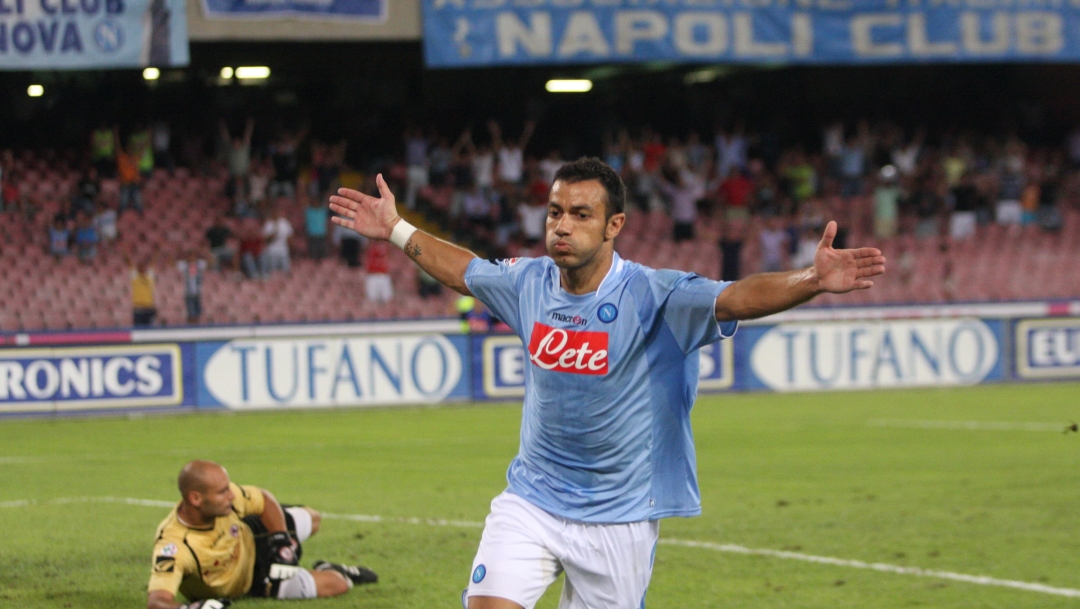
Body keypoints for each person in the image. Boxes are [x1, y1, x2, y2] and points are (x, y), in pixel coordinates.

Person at [329, 157, 885, 609]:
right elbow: (465, 269)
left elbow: (736, 296)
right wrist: (397, 230)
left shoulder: (655, 295)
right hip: (533, 499)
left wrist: (812, 279)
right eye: (553, 212)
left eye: (580, 214)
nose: (562, 225)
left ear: (613, 225)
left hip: (620, 516)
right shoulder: (529, 283)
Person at [146, 460, 376, 609]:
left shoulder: (227, 501)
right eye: (223, 492)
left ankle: (284, 545)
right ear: (196, 498)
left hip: (253, 535)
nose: (231, 495)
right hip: (254, 582)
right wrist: (192, 608)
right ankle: (332, 569)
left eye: (229, 488)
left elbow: (264, 499)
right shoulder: (173, 546)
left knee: (313, 518)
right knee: (338, 585)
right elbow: (157, 603)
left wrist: (280, 540)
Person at [177, 250, 209, 324]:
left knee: (197, 311)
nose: (192, 258)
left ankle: (196, 324)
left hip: (197, 292)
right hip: (189, 292)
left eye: (193, 256)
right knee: (191, 312)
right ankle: (190, 325)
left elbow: (210, 262)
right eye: (190, 256)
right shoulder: (184, 265)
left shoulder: (199, 264)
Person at [126, 253, 158, 327]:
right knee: (138, 330)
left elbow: (154, 262)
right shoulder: (135, 277)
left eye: (144, 266)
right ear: (137, 268)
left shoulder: (149, 276)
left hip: (149, 307)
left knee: (150, 330)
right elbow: (129, 262)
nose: (142, 268)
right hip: (138, 309)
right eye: (140, 266)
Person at [261, 206, 293, 276]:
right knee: (273, 270)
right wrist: (272, 234)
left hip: (283, 249)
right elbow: (265, 239)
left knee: (285, 269)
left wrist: (290, 246)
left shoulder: (284, 222)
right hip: (272, 250)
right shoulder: (268, 224)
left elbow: (290, 235)